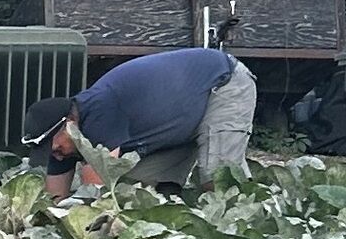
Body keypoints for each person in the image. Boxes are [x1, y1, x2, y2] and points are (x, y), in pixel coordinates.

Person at [23, 40, 259, 200]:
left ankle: (250, 228)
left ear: (69, 124)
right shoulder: (63, 142)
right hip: (181, 118)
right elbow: (55, 197)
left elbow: (96, 191)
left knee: (217, 179)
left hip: (221, 85)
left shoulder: (100, 110)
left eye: (55, 149)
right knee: (135, 185)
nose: (57, 156)